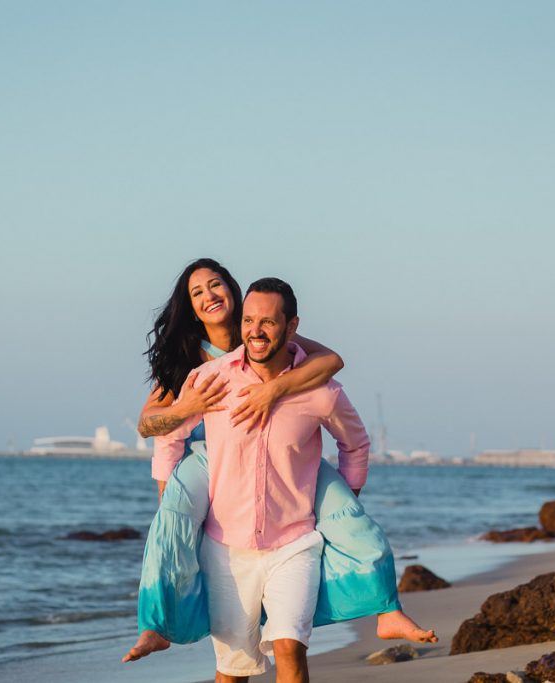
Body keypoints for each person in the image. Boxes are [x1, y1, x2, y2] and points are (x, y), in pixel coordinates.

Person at [123, 259, 435, 666]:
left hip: (282, 461)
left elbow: (331, 362)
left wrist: (275, 390)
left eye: (215, 285)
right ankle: (158, 624)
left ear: (234, 292)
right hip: (210, 459)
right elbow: (158, 430)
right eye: (197, 293)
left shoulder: (263, 328)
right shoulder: (192, 361)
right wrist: (185, 419)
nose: (209, 296)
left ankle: (386, 607)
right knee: (172, 522)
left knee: (350, 516)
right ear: (190, 307)